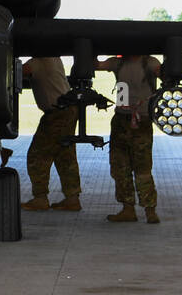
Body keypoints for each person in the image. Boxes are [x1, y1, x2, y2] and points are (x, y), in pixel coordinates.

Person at [95, 53, 162, 223]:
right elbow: (96, 65)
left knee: (143, 168)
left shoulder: (150, 63)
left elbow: (165, 74)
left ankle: (150, 210)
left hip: (142, 120)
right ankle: (128, 209)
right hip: (121, 119)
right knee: (120, 168)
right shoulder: (117, 63)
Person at [21, 57, 81, 211]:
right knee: (64, 155)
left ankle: (40, 198)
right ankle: (72, 199)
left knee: (37, 155)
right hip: (68, 109)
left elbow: (17, 71)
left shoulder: (38, 62)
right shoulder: (54, 58)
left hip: (57, 113)